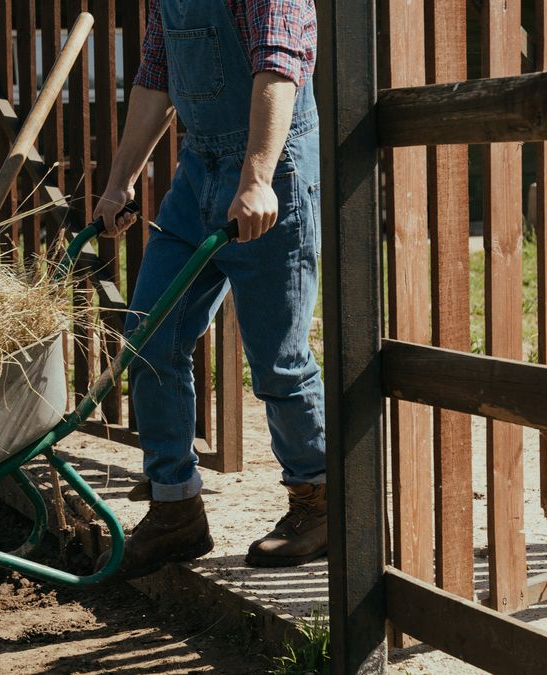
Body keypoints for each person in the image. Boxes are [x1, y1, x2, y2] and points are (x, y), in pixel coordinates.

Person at [95, 0, 324, 578]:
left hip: (274, 168)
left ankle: (318, 502)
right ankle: (176, 510)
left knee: (278, 357)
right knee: (149, 335)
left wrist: (257, 179)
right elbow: (155, 80)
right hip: (198, 167)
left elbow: (280, 65)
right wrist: (119, 183)